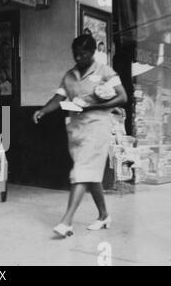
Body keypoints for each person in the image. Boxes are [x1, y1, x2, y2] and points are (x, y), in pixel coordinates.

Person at [33, 34, 128, 238]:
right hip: (76, 130)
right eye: (75, 54)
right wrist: (43, 111)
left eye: (83, 55)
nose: (78, 58)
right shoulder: (69, 75)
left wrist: (95, 105)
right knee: (90, 175)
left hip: (97, 128)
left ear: (92, 53)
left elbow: (123, 96)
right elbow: (58, 98)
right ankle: (103, 216)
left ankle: (66, 222)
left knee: (81, 171)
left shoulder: (105, 72)